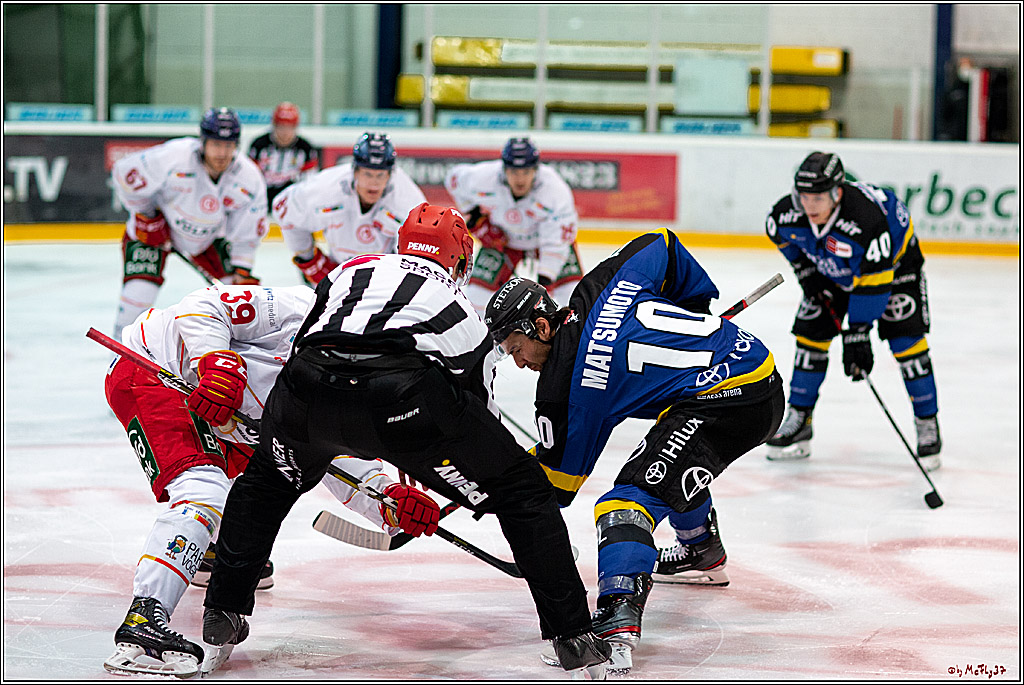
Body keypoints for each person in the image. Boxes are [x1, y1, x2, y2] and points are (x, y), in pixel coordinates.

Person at [201, 203, 611, 678]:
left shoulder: (349, 270)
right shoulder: (459, 307)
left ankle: (223, 611)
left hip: (306, 390)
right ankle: (573, 636)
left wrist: (303, 428)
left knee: (265, 484)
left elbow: (308, 338)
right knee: (523, 491)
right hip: (400, 402)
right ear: (459, 262)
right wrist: (459, 480)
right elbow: (477, 413)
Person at [483, 228, 785, 673]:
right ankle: (701, 548)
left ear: (541, 327)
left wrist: (482, 473)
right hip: (751, 367)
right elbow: (661, 244)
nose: (519, 362)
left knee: (625, 502)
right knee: (664, 459)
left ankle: (616, 623)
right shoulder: (595, 287)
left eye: (516, 348)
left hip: (731, 399)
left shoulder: (563, 391)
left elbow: (556, 486)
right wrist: (693, 306)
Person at [102, 283, 415, 678]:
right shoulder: (303, 309)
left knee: (263, 476)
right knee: (202, 490)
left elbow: (331, 456)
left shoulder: (349, 388)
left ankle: (209, 553)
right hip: (155, 369)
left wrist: (388, 499)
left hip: (225, 416)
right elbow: (201, 304)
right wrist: (214, 360)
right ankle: (143, 620)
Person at [764, 151, 942, 470]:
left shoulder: (866, 219)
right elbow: (782, 237)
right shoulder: (785, 214)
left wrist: (858, 332)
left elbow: (874, 283)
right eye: (804, 196)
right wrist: (807, 273)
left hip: (895, 270)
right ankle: (801, 419)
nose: (810, 205)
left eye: (818, 197)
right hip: (833, 272)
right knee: (810, 338)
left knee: (908, 345)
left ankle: (927, 423)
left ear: (837, 192)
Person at [111, 107, 268, 342]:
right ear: (203, 141)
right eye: (216, 144)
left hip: (207, 240)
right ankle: (123, 360)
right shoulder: (174, 156)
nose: (222, 153)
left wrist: (241, 270)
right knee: (137, 297)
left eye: (228, 145)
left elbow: (246, 233)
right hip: (153, 234)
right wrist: (147, 216)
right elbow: (124, 174)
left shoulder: (249, 178)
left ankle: (233, 358)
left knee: (235, 301)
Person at [444, 137, 583, 313]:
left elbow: (556, 242)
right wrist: (473, 216)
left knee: (573, 297)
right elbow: (453, 180)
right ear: (504, 169)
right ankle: (481, 338)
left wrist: (545, 278)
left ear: (536, 170)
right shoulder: (484, 177)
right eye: (514, 172)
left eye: (526, 172)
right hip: (504, 240)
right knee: (474, 298)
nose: (520, 179)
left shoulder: (555, 191)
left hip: (548, 245)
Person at [273, 131, 426, 286]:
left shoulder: (408, 200)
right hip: (337, 272)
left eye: (380, 175)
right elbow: (283, 209)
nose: (374, 183)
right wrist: (310, 260)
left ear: (390, 175)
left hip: (385, 276)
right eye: (367, 174)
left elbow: (420, 251)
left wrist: (397, 276)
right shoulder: (326, 187)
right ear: (355, 171)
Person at [247, 101, 320, 207]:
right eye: (281, 127)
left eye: (290, 127)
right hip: (262, 198)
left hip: (292, 200)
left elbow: (310, 182)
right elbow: (250, 177)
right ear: (274, 125)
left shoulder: (306, 149)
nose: (285, 132)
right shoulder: (259, 145)